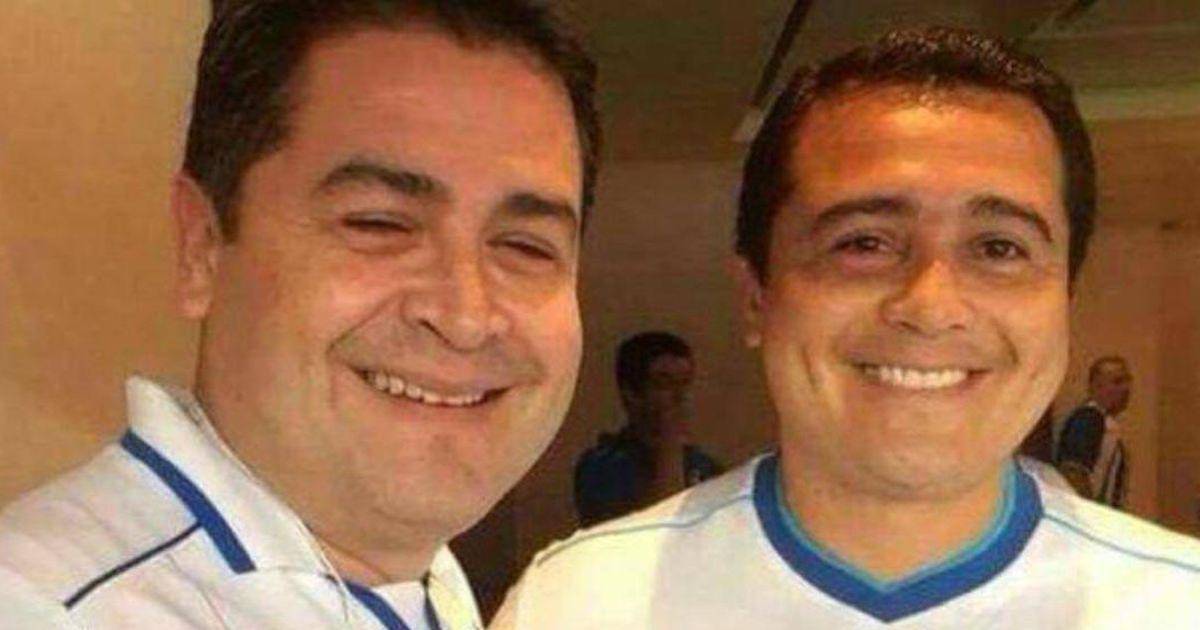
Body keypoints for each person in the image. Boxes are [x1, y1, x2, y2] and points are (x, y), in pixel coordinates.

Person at [493, 26, 1200, 629]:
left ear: (1065, 301)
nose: (931, 305)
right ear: (756, 296)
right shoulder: (581, 602)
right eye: (864, 243)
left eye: (998, 248)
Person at [0, 1, 599, 628]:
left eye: (525, 247)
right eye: (378, 224)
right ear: (202, 245)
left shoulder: (419, 588)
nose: (465, 316)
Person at [573, 332, 723, 526]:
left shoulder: (704, 466)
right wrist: (670, 445)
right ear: (632, 394)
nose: (680, 396)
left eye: (685, 383)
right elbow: (659, 527)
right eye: (665, 384)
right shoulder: (602, 466)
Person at [1057, 356, 1133, 506]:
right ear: (1096, 386)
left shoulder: (1104, 422)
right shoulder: (1088, 419)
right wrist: (1090, 513)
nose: (1125, 389)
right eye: (1117, 382)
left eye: (1127, 382)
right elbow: (1073, 471)